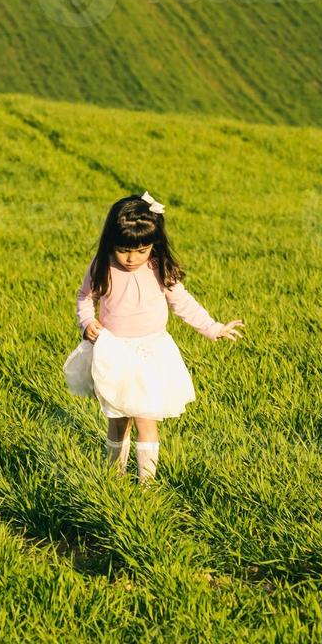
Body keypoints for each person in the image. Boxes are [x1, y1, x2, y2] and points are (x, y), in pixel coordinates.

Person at [63, 191, 244, 483]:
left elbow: (182, 302)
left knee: (147, 418)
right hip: (115, 352)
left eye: (141, 250)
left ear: (153, 245)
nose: (132, 258)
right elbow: (86, 297)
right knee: (118, 418)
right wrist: (87, 322)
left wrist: (213, 327)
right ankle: (114, 479)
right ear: (111, 242)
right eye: (124, 250)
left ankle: (147, 484)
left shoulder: (158, 266)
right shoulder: (102, 265)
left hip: (151, 352)